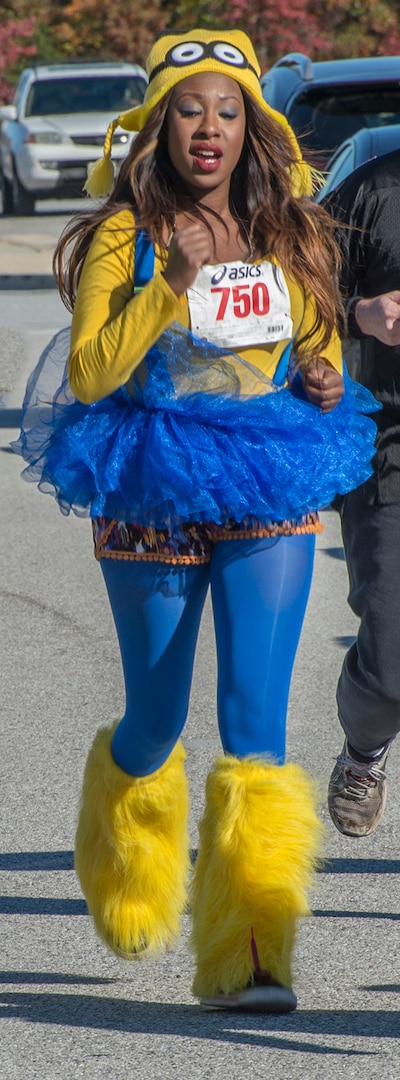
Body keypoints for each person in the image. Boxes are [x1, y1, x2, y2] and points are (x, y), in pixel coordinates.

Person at [12, 29, 379, 1012]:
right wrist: (167, 281)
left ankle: (248, 953)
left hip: (269, 479)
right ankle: (126, 856)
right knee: (156, 718)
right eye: (188, 109)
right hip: (154, 483)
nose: (208, 129)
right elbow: (90, 370)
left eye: (227, 111)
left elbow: (319, 348)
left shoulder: (288, 230)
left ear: (252, 127)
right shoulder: (124, 236)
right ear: (159, 126)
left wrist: (320, 372)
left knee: (255, 723)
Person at [322, 148, 400, 839]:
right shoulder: (374, 191)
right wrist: (359, 314)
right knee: (389, 671)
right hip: (393, 452)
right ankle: (365, 749)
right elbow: (288, 294)